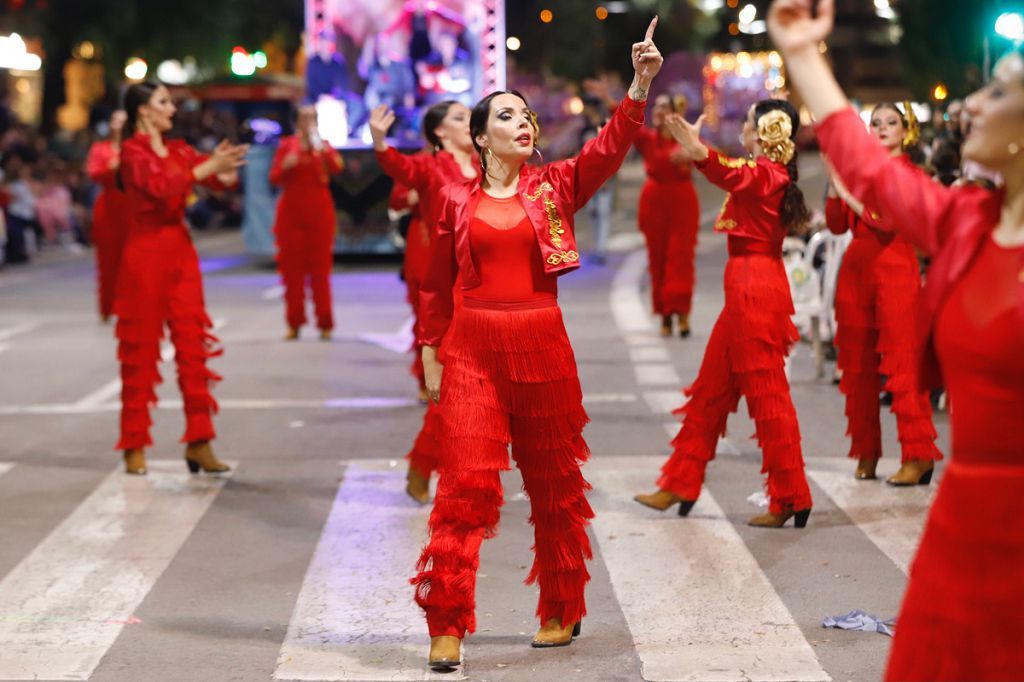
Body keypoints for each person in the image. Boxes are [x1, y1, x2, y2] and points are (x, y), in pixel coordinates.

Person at [768, 0, 1024, 677]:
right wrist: (801, 54)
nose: (970, 103)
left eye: (996, 90)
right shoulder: (968, 221)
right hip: (962, 528)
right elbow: (869, 168)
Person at [411, 18, 662, 670]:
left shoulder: (554, 187)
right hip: (472, 348)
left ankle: (560, 605)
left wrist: (638, 85)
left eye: (527, 116)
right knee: (464, 485)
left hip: (542, 344)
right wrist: (431, 351)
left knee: (553, 483)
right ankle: (447, 622)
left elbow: (610, 147)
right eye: (507, 116)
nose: (524, 124)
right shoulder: (453, 199)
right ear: (481, 136)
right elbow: (436, 287)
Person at [634, 98, 814, 528]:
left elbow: (731, 174)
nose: (744, 127)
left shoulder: (768, 175)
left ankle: (790, 495)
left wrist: (699, 151)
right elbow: (733, 170)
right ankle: (681, 480)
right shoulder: (767, 173)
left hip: (756, 288)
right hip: (744, 287)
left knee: (767, 395)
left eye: (750, 122)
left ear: (767, 131)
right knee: (710, 391)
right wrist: (701, 148)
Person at [115, 81, 247, 476]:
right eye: (163, 102)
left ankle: (200, 441)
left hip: (181, 255)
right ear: (143, 111)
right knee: (140, 351)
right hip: (144, 256)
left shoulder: (178, 150)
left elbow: (208, 178)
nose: (172, 109)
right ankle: (134, 443)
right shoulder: (132, 152)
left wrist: (223, 172)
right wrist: (205, 168)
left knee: (193, 348)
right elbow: (161, 187)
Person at [825, 103, 944, 483]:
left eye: (890, 122)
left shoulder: (909, 173)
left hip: (895, 272)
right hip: (856, 273)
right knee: (857, 367)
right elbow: (837, 224)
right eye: (875, 123)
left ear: (906, 129)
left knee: (902, 364)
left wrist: (846, 188)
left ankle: (918, 454)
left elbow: (884, 220)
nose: (881, 128)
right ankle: (866, 452)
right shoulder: (861, 173)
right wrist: (834, 181)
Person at [370, 99, 479, 504]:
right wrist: (380, 143)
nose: (469, 123)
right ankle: (424, 461)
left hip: (490, 285)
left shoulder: (490, 166)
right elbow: (401, 172)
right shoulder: (430, 167)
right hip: (448, 286)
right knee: (454, 384)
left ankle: (467, 467)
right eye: (459, 118)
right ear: (439, 133)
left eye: (471, 117)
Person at [269, 104, 343, 341]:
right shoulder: (286, 146)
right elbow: (274, 177)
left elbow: (337, 168)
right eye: (305, 118)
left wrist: (321, 148)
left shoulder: (323, 146)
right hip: (291, 215)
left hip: (319, 214)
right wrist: (285, 165)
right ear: (296, 121)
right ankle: (294, 322)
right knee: (292, 272)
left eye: (313, 118)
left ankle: (325, 322)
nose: (309, 122)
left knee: (321, 271)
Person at [634, 93, 700, 336]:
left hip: (682, 202)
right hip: (654, 202)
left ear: (673, 112)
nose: (658, 111)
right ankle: (664, 316)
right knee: (658, 258)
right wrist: (606, 98)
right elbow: (626, 121)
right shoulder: (648, 139)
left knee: (680, 259)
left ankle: (682, 314)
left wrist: (692, 153)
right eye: (657, 107)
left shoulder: (686, 136)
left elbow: (708, 153)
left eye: (664, 106)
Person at [86, 110, 132, 322]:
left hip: (132, 207)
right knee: (108, 260)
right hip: (109, 208)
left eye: (123, 121)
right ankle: (107, 306)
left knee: (134, 261)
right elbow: (94, 172)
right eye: (115, 120)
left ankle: (132, 305)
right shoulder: (100, 148)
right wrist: (110, 168)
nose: (119, 124)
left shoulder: (137, 148)